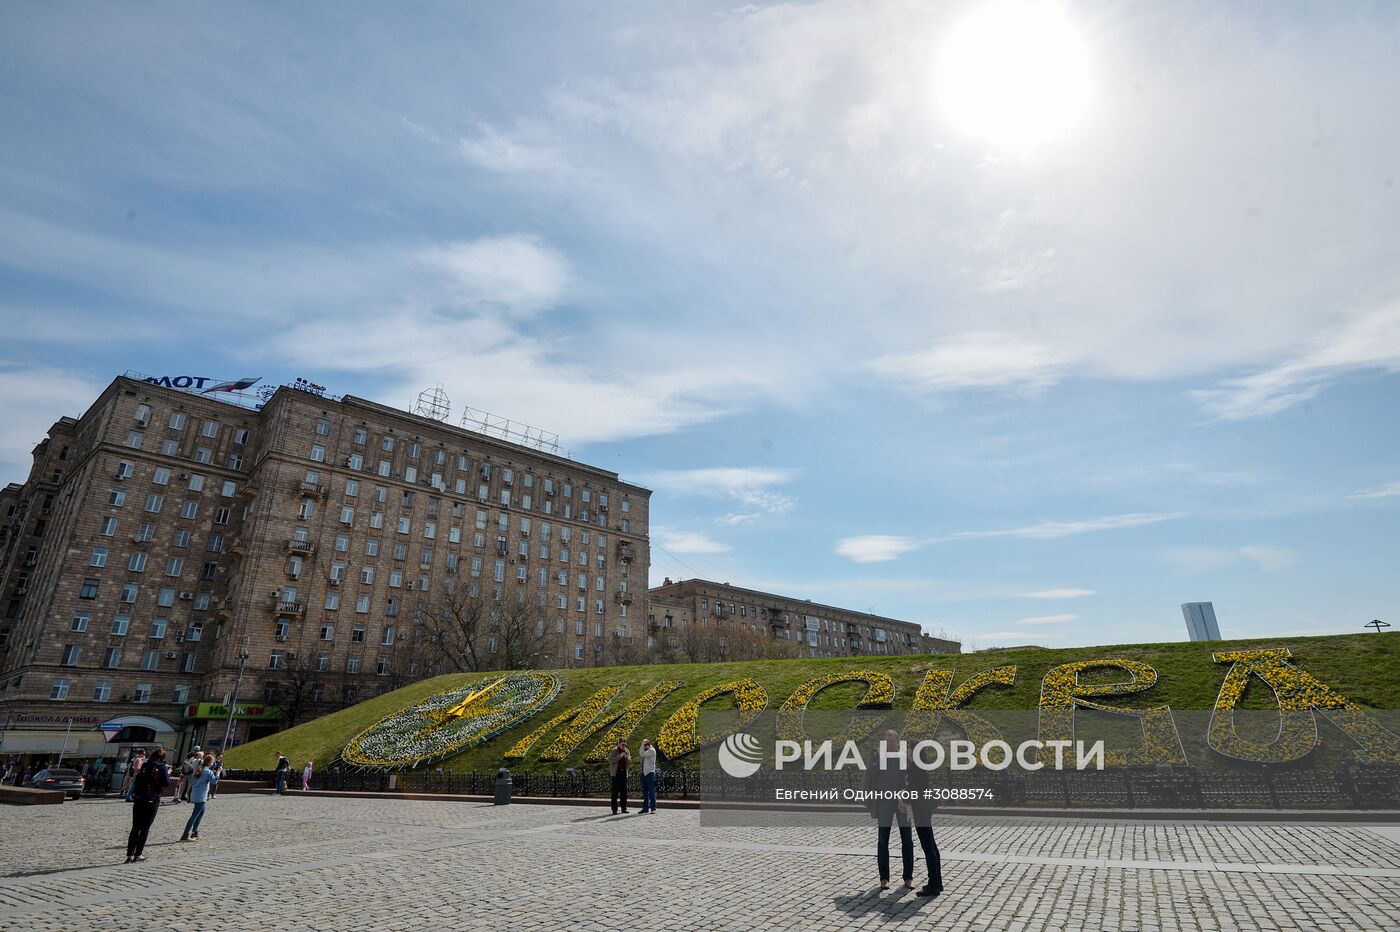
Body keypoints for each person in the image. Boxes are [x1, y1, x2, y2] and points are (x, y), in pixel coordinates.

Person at [867, 729, 913, 891]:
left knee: (907, 840)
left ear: (897, 743)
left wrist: (906, 798)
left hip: (901, 802)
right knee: (882, 841)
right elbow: (871, 774)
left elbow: (909, 778)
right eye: (886, 741)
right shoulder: (877, 755)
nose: (889, 744)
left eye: (892, 741)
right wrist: (882, 758)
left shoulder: (902, 757)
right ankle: (884, 878)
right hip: (884, 801)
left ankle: (908, 877)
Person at [906, 760, 944, 898]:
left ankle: (933, 885)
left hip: (920, 809)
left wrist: (904, 797)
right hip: (925, 809)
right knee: (932, 846)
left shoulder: (915, 766)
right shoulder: (921, 764)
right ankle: (937, 882)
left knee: (928, 847)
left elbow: (914, 788)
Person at [126, 747, 170, 863]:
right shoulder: (161, 767)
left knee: (135, 827)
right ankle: (138, 854)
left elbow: (137, 780)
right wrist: (168, 772)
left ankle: (129, 854)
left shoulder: (144, 765)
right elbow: (166, 783)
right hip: (152, 799)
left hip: (139, 799)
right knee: (145, 828)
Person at [179, 754, 220, 842]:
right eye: (213, 762)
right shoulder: (208, 771)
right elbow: (214, 781)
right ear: (210, 763)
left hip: (196, 794)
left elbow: (193, 782)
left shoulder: (198, 769)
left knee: (200, 813)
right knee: (194, 815)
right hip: (201, 796)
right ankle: (185, 835)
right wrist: (218, 772)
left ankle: (195, 832)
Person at [608, 738, 630, 814]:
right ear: (619, 744)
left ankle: (624, 808)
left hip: (623, 772)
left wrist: (627, 758)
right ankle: (614, 810)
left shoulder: (627, 751)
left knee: (624, 792)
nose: (624, 746)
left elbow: (630, 761)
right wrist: (619, 756)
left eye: (625, 745)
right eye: (622, 745)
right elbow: (611, 760)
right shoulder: (614, 750)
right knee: (615, 792)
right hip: (616, 773)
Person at [639, 738, 658, 814]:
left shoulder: (651, 751)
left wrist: (641, 744)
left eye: (645, 745)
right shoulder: (647, 751)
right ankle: (645, 808)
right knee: (645, 792)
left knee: (651, 791)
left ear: (648, 745)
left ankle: (653, 808)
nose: (644, 747)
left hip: (650, 773)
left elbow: (641, 753)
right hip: (645, 773)